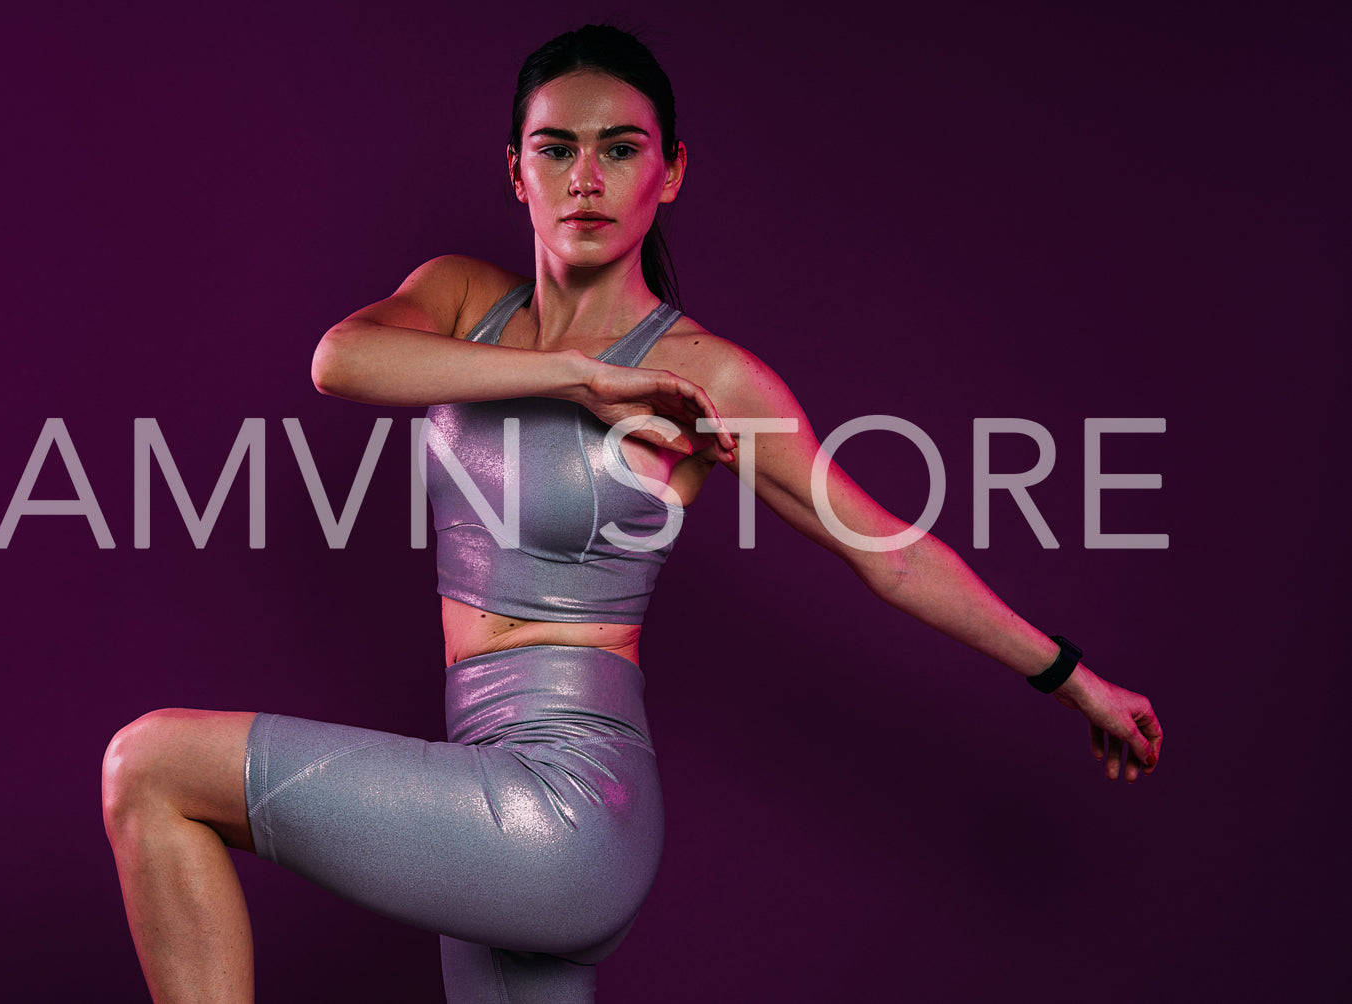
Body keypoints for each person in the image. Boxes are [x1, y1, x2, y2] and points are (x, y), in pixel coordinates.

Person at [102, 24, 1163, 1004]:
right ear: (514, 172)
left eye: (619, 148)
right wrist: (576, 378)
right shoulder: (464, 301)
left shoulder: (707, 377)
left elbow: (888, 553)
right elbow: (340, 360)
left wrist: (1068, 675)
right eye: (555, 148)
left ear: (672, 171)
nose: (584, 179)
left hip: (569, 802)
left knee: (148, 763)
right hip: (477, 761)